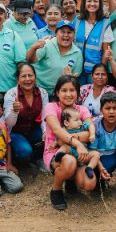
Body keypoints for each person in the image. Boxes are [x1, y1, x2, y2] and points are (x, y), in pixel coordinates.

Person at [42, 75, 99, 210]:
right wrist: (78, 144)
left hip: (79, 154)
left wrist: (66, 139)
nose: (68, 94)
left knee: (89, 184)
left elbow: (90, 132)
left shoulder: (82, 110)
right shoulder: (51, 107)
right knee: (69, 162)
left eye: (72, 90)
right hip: (55, 152)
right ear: (57, 92)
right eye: (64, 90)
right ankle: (56, 190)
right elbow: (56, 129)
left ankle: (70, 179)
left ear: (78, 93)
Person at [3, 63, 49, 166]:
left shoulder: (42, 93)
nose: (28, 79)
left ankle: (37, 159)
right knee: (25, 151)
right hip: (14, 133)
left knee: (51, 135)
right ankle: (14, 157)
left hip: (32, 131)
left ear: (35, 77)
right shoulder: (11, 94)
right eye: (23, 76)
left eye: (30, 75)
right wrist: (14, 111)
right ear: (17, 79)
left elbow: (45, 117)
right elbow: (8, 124)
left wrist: (45, 132)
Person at [27, 20, 83, 94]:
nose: (66, 35)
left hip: (60, 93)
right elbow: (30, 60)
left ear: (74, 35)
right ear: (56, 33)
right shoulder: (47, 44)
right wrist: (34, 48)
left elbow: (76, 77)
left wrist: (70, 77)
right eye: (62, 32)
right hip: (39, 90)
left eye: (69, 32)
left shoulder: (77, 52)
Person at [74, 0, 115, 84]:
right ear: (84, 3)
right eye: (89, 1)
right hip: (76, 68)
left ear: (100, 4)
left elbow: (106, 51)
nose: (92, 4)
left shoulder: (105, 23)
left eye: (95, 1)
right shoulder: (77, 20)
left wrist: (101, 71)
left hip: (93, 72)